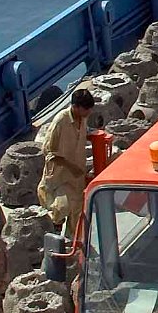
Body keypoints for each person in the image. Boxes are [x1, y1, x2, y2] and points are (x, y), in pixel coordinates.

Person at [38, 87, 96, 239]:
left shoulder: (83, 118)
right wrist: (71, 167)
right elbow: (48, 151)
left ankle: (74, 242)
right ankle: (53, 231)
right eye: (86, 109)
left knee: (77, 212)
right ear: (75, 107)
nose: (88, 113)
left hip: (77, 177)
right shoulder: (60, 122)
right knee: (61, 208)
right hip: (60, 176)